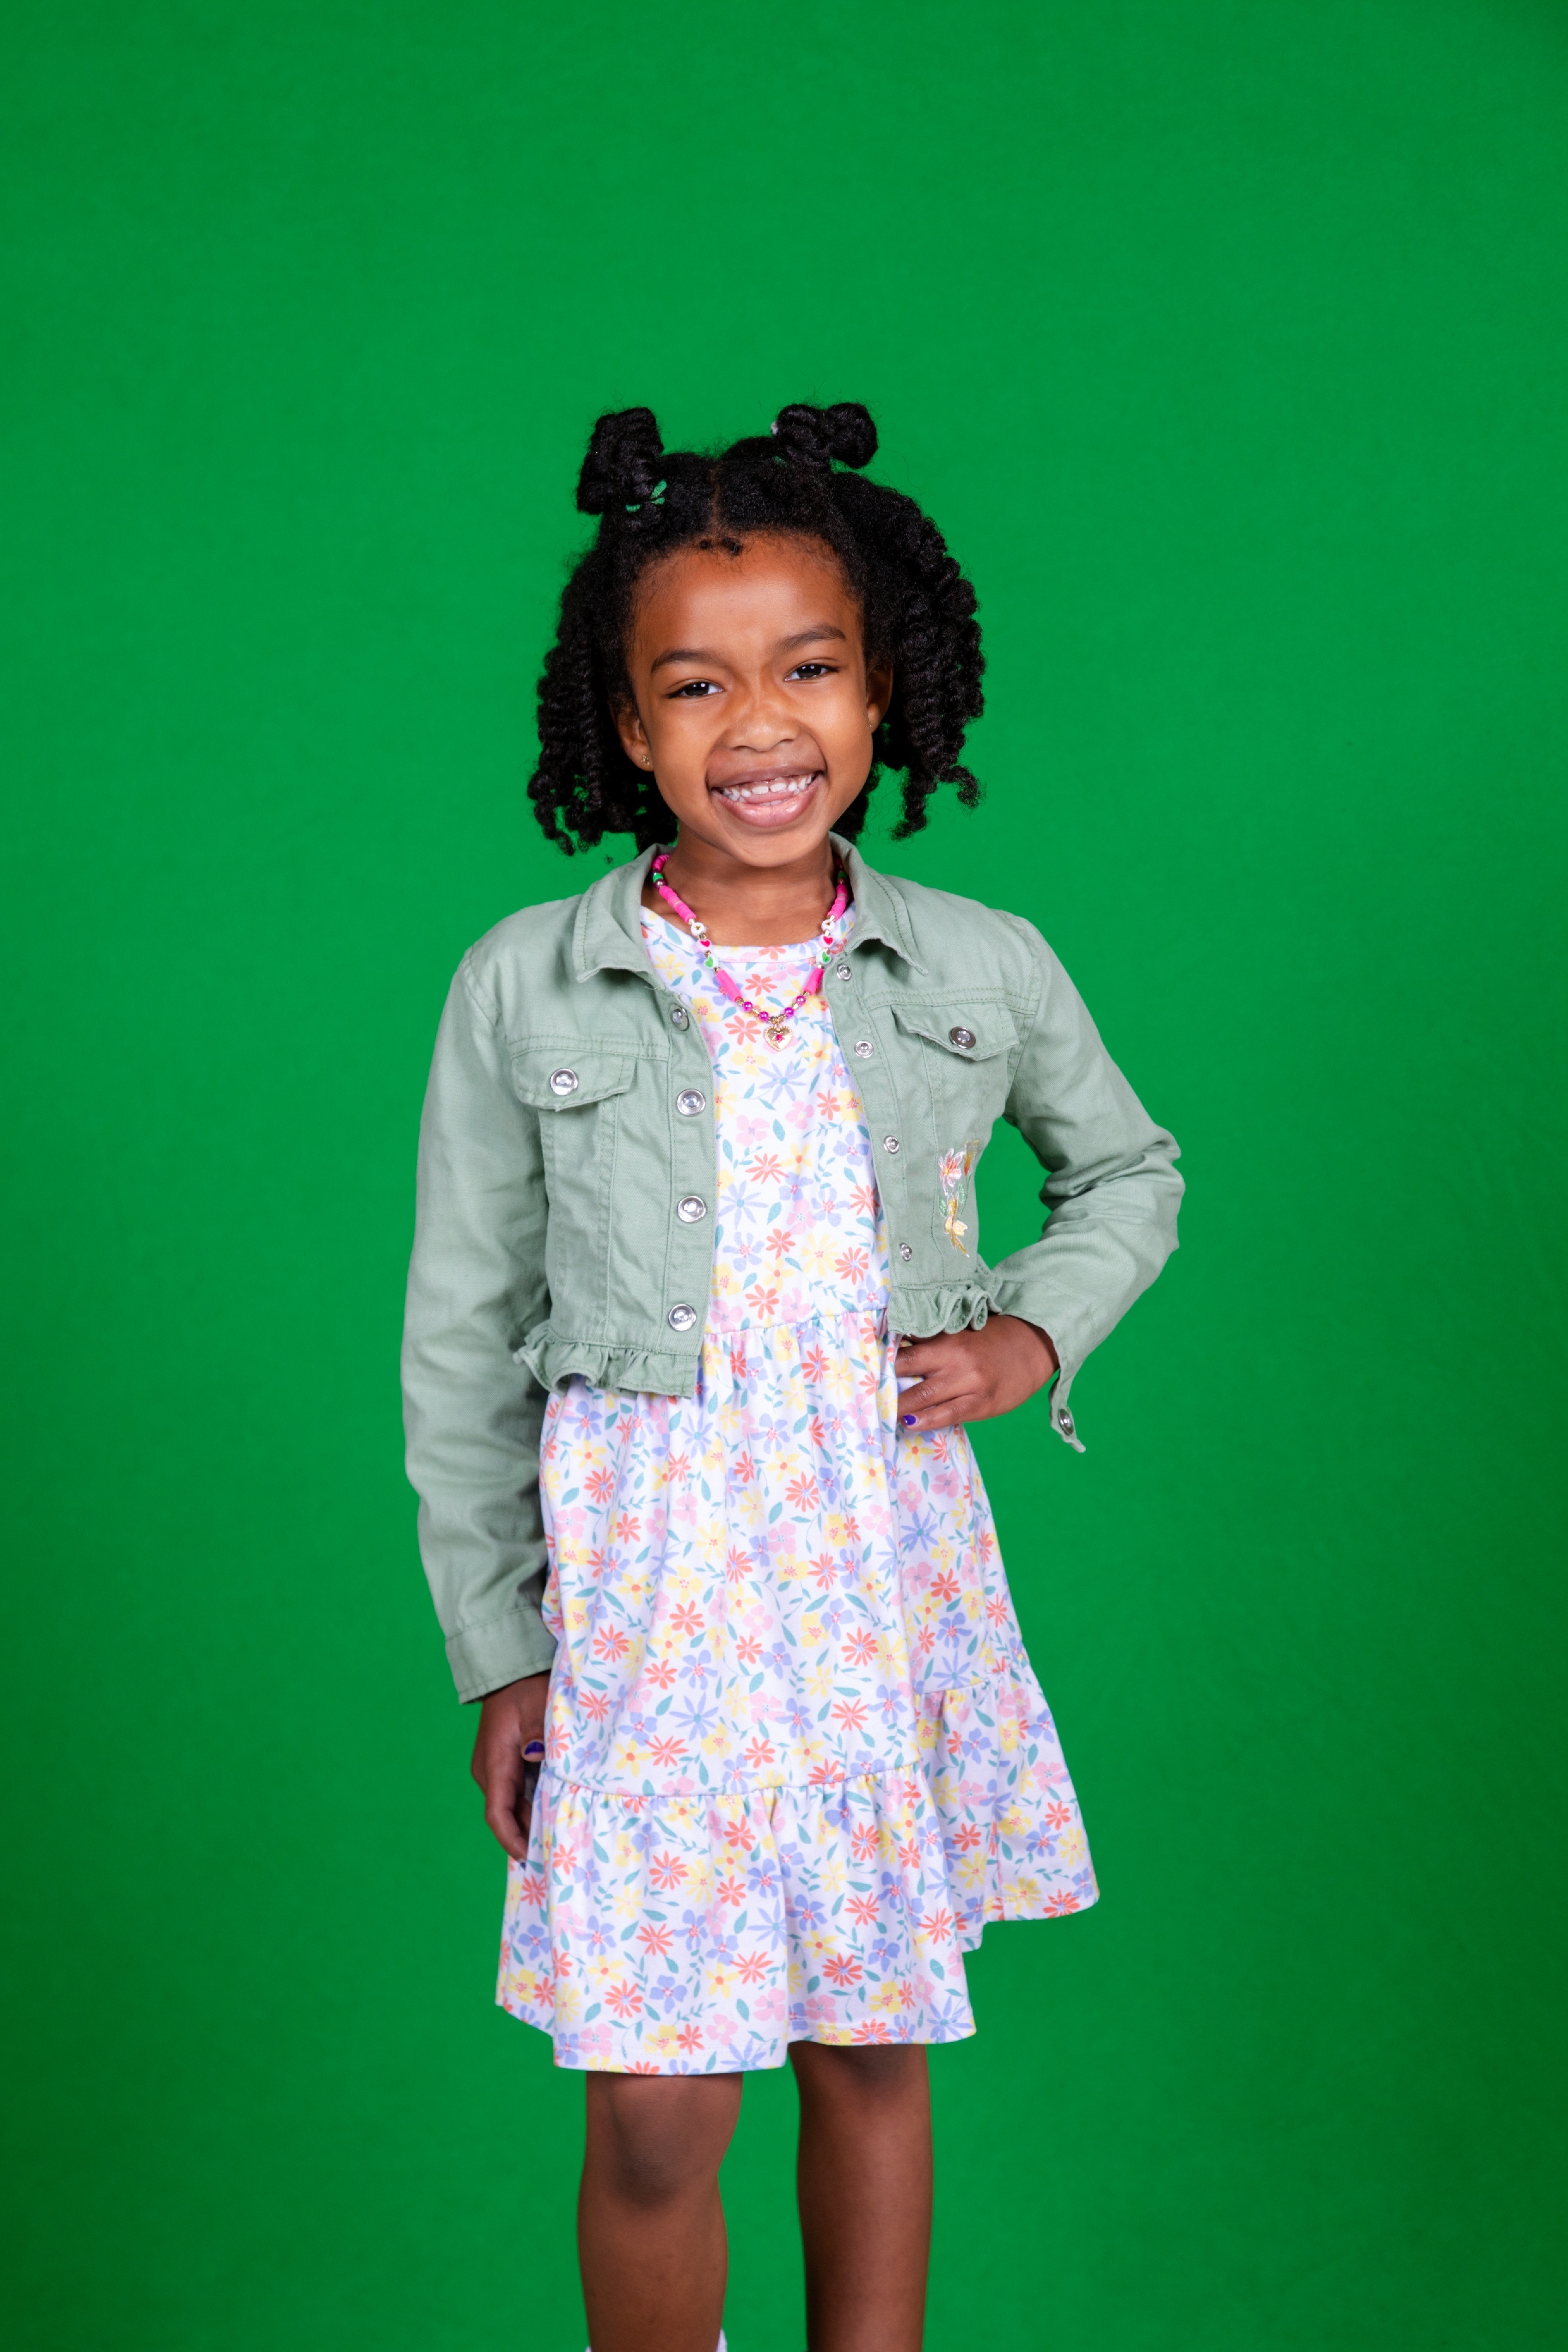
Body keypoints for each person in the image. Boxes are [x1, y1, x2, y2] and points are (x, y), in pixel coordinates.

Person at [401, 401, 1182, 2352]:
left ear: (883, 686)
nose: (761, 726)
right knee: (658, 2103)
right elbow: (460, 1336)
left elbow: (1131, 1175)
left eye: (810, 670)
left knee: (865, 2041)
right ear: (627, 725)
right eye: (698, 686)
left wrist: (1026, 1336)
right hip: (652, 1606)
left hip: (868, 1582)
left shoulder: (980, 964)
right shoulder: (522, 982)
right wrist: (502, 1647)